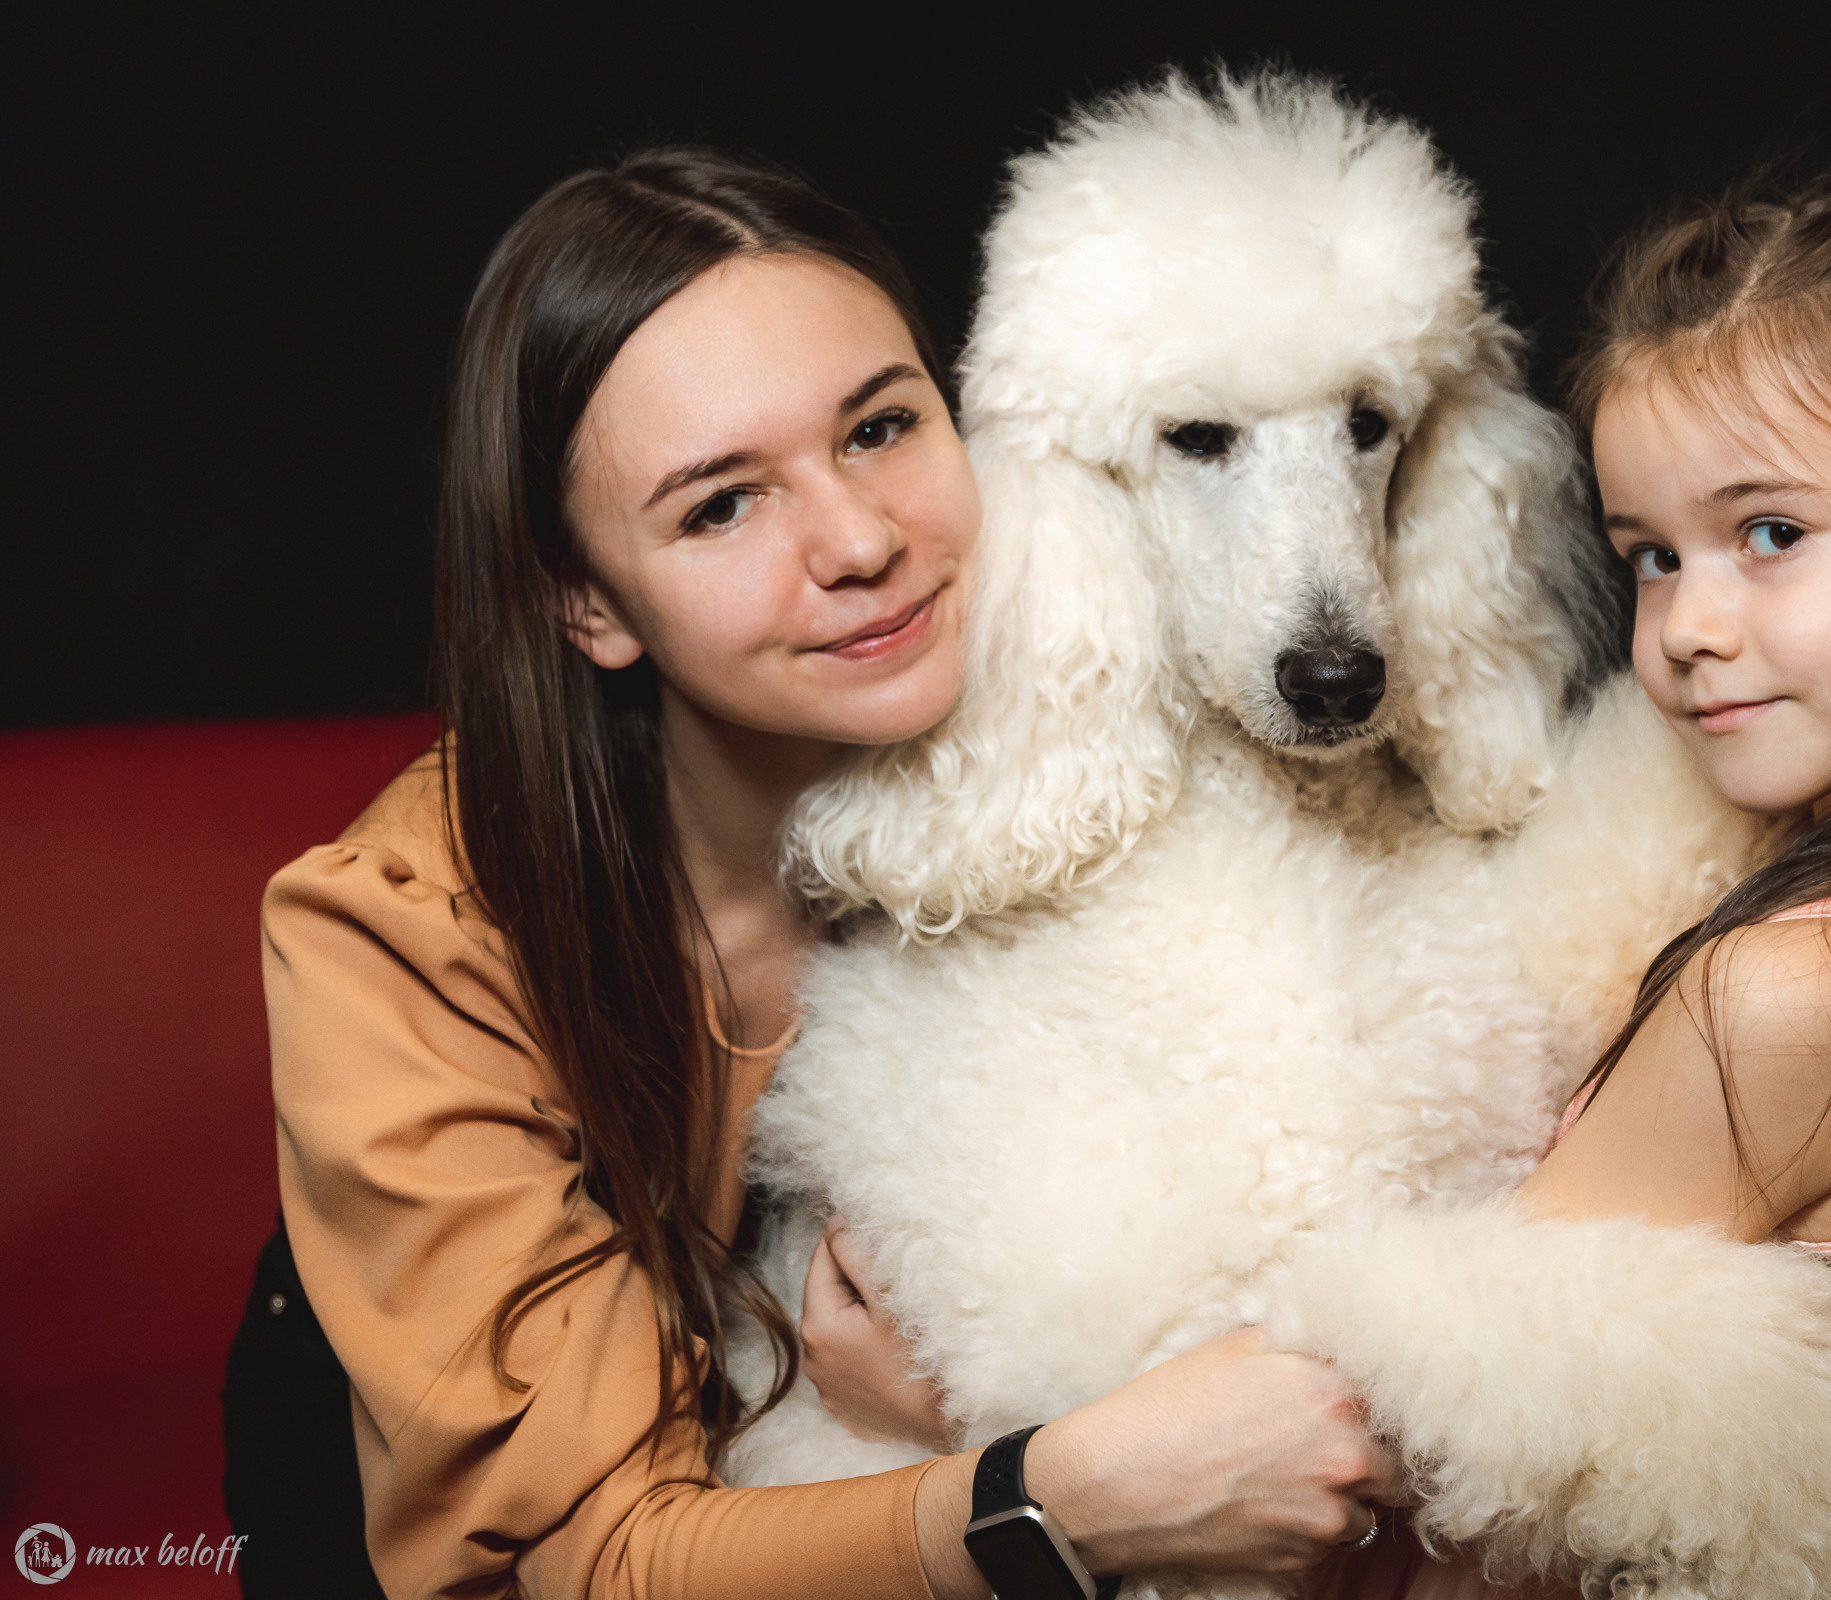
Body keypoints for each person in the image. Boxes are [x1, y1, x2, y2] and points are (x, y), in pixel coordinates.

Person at [813, 156, 1831, 1600]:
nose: (1688, 629)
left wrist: (985, 1448)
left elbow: (1411, 1490)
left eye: (1771, 534)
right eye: (1651, 556)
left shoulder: (1787, 996)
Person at [224, 146, 1401, 1600]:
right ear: (586, 600)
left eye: (880, 428)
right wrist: (1057, 1486)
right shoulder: (398, 931)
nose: (860, 542)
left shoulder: (1095, 746)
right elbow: (596, 1561)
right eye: (721, 505)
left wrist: (945, 1419)